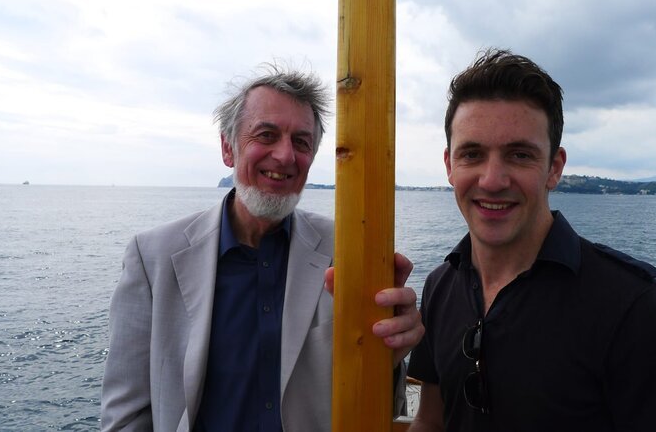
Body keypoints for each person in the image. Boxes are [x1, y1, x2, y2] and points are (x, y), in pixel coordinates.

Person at [101, 63, 424, 432]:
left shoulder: (351, 250)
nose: (285, 156)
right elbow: (126, 416)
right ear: (228, 148)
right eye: (266, 135)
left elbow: (381, 406)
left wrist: (393, 355)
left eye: (301, 142)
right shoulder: (153, 257)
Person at [406, 49, 656, 431]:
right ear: (449, 166)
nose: (493, 180)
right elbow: (430, 423)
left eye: (519, 154)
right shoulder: (439, 287)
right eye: (473, 154)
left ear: (554, 168)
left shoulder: (633, 307)